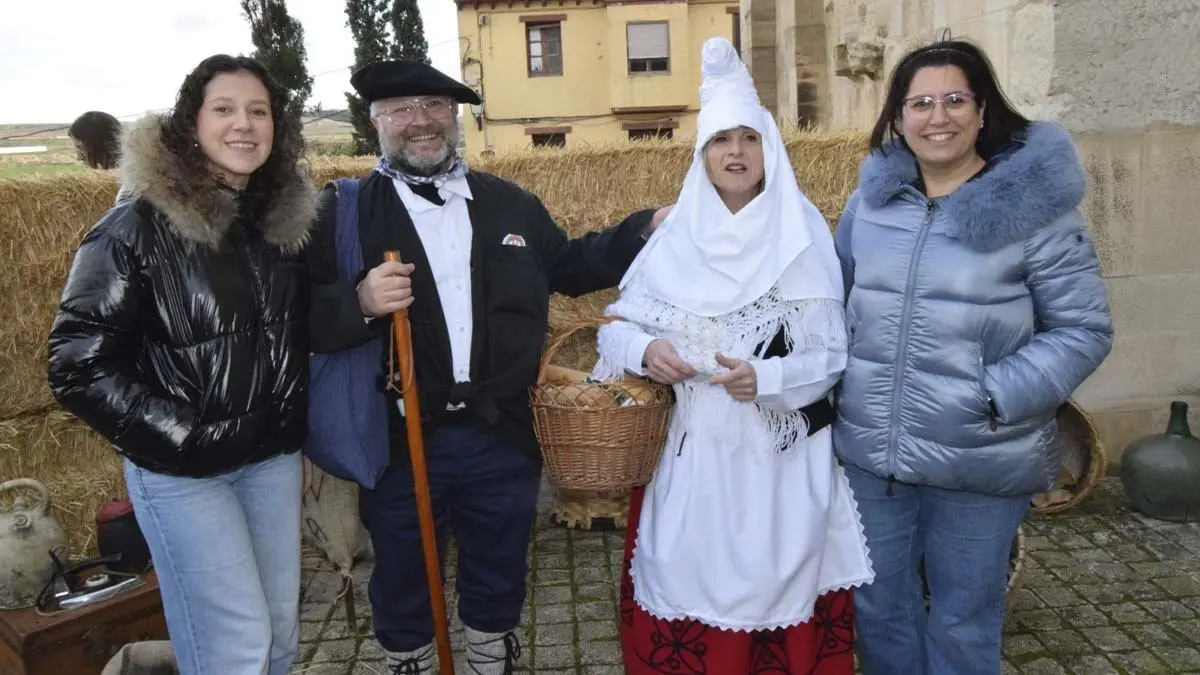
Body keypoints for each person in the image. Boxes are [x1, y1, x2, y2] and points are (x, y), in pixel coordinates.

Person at [304, 59, 662, 675]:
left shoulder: (509, 204)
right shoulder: (342, 213)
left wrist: (645, 229)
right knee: (404, 569)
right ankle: (410, 662)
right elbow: (299, 318)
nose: (421, 121)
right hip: (399, 438)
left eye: (435, 106)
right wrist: (358, 302)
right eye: (402, 109)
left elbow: (571, 267)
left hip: (500, 431)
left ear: (455, 117)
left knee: (499, 562)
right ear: (376, 122)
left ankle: (490, 658)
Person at [590, 37, 874, 674]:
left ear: (769, 150)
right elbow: (612, 331)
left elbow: (832, 356)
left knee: (778, 583)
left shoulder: (802, 235)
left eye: (749, 138)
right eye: (721, 140)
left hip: (778, 460)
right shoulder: (673, 237)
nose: (736, 152)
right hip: (693, 457)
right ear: (703, 155)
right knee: (687, 577)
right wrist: (645, 348)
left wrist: (766, 376)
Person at [831, 39, 1113, 674]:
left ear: (983, 111)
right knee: (880, 610)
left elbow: (1083, 329)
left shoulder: (1035, 214)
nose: (938, 117)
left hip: (980, 458)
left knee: (963, 620)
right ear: (899, 117)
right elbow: (833, 304)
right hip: (873, 457)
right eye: (920, 103)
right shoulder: (869, 206)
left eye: (955, 99)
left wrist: (991, 397)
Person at [47, 54, 314, 675]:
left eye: (258, 111)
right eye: (224, 109)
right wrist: (184, 435)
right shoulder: (132, 228)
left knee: (280, 638)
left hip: (270, 463)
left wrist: (289, 437)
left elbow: (285, 342)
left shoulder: (276, 227)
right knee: (236, 647)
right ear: (190, 123)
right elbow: (76, 365)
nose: (243, 124)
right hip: (186, 473)